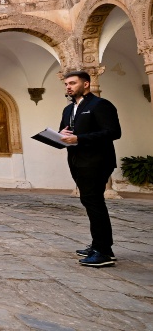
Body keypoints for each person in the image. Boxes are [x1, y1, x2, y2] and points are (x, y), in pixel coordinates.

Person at [59, 71, 121, 267]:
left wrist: (80, 138)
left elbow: (113, 132)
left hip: (97, 161)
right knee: (89, 201)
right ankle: (98, 245)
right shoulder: (68, 109)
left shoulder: (100, 104)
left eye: (72, 83)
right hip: (76, 161)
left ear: (86, 84)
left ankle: (104, 251)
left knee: (94, 202)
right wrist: (61, 135)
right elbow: (64, 132)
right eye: (66, 84)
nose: (68, 87)